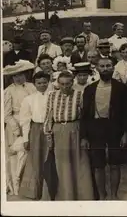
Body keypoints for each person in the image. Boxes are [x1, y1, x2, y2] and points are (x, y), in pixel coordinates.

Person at [80, 57, 127, 200]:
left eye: (108, 65)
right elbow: (84, 115)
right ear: (97, 68)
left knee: (115, 163)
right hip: (95, 128)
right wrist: (84, 136)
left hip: (115, 128)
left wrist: (125, 133)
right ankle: (102, 196)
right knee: (98, 164)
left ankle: (114, 195)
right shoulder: (90, 89)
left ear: (113, 68)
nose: (105, 68)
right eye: (102, 66)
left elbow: (126, 113)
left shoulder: (121, 88)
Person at [43, 71, 94, 200]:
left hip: (75, 128)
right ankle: (66, 196)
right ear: (58, 84)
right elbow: (48, 116)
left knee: (79, 161)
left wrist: (84, 136)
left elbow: (85, 117)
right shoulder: (52, 95)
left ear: (72, 83)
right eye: (62, 84)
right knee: (62, 164)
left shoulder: (79, 95)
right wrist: (48, 135)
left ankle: (84, 196)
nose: (65, 86)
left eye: (68, 83)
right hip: (58, 129)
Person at [4, 60, 37, 195]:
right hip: (15, 125)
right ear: (12, 77)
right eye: (15, 75)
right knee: (15, 156)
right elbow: (6, 115)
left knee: (28, 155)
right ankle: (14, 187)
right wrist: (17, 130)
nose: (18, 78)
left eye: (21, 74)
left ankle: (28, 186)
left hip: (31, 122)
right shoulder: (8, 91)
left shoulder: (31, 87)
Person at [18, 71, 51, 200]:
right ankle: (36, 192)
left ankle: (49, 192)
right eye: (39, 83)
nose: (42, 85)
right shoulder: (29, 99)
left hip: (50, 129)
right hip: (36, 130)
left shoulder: (53, 95)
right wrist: (26, 138)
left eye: (44, 82)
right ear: (34, 84)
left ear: (48, 83)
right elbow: (25, 120)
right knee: (36, 159)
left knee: (49, 159)